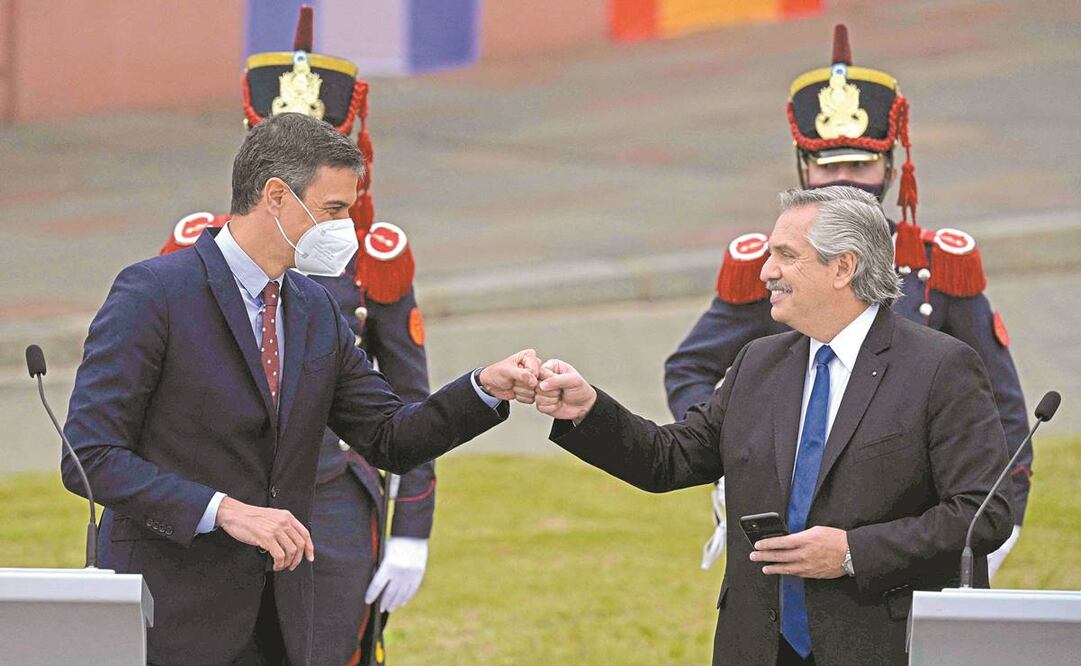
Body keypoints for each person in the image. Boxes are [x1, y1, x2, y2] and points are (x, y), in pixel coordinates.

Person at [63, 111, 539, 666]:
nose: (346, 230)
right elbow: (90, 458)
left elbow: (389, 435)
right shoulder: (154, 293)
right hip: (172, 610)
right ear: (276, 197)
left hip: (282, 618)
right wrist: (223, 510)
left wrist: (483, 388)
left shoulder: (312, 308)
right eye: (335, 210)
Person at [537, 186, 1013, 665]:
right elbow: (670, 458)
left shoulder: (939, 367)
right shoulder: (759, 362)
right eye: (770, 254)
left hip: (879, 646)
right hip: (760, 646)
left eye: (786, 255)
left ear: (843, 268)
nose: (767, 271)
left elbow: (981, 514)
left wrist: (853, 552)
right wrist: (586, 409)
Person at [665, 25, 1030, 577]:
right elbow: (691, 368)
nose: (844, 182)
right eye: (828, 165)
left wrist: (1004, 513)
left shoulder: (938, 265)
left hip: (914, 526)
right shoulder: (769, 266)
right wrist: (733, 454)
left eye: (860, 165)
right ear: (802, 168)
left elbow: (1003, 407)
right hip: (791, 515)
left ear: (889, 166)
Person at [158, 7, 434, 663]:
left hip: (329, 497)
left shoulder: (374, 256)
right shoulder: (190, 248)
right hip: (220, 493)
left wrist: (412, 529)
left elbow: (408, 405)